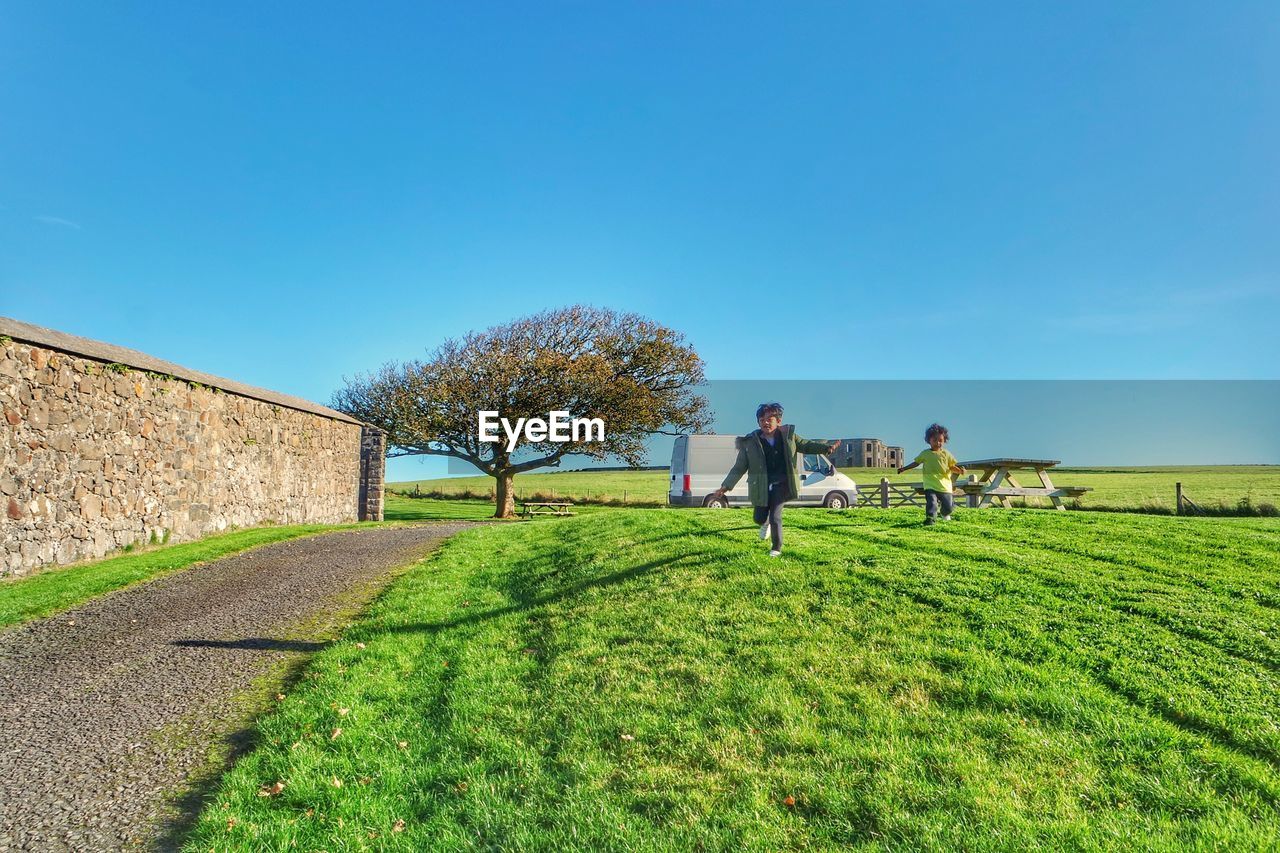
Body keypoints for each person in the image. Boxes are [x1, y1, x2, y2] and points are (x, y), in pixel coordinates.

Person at [710, 402, 841, 557]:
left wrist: (825, 448)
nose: (765, 422)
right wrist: (725, 486)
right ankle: (764, 523)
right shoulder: (750, 441)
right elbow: (739, 467)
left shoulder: (788, 436)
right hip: (761, 485)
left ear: (778, 421)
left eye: (769, 419)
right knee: (759, 518)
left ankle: (776, 548)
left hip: (782, 484)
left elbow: (806, 446)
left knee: (775, 516)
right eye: (761, 420)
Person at [898, 423, 966, 525]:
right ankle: (930, 520)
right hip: (930, 484)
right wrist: (904, 468)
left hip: (945, 485)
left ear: (944, 440)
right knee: (932, 502)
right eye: (935, 440)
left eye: (940, 440)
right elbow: (916, 463)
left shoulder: (947, 454)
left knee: (949, 507)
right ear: (929, 440)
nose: (938, 443)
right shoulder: (925, 453)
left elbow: (952, 467)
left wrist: (960, 471)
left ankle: (944, 513)